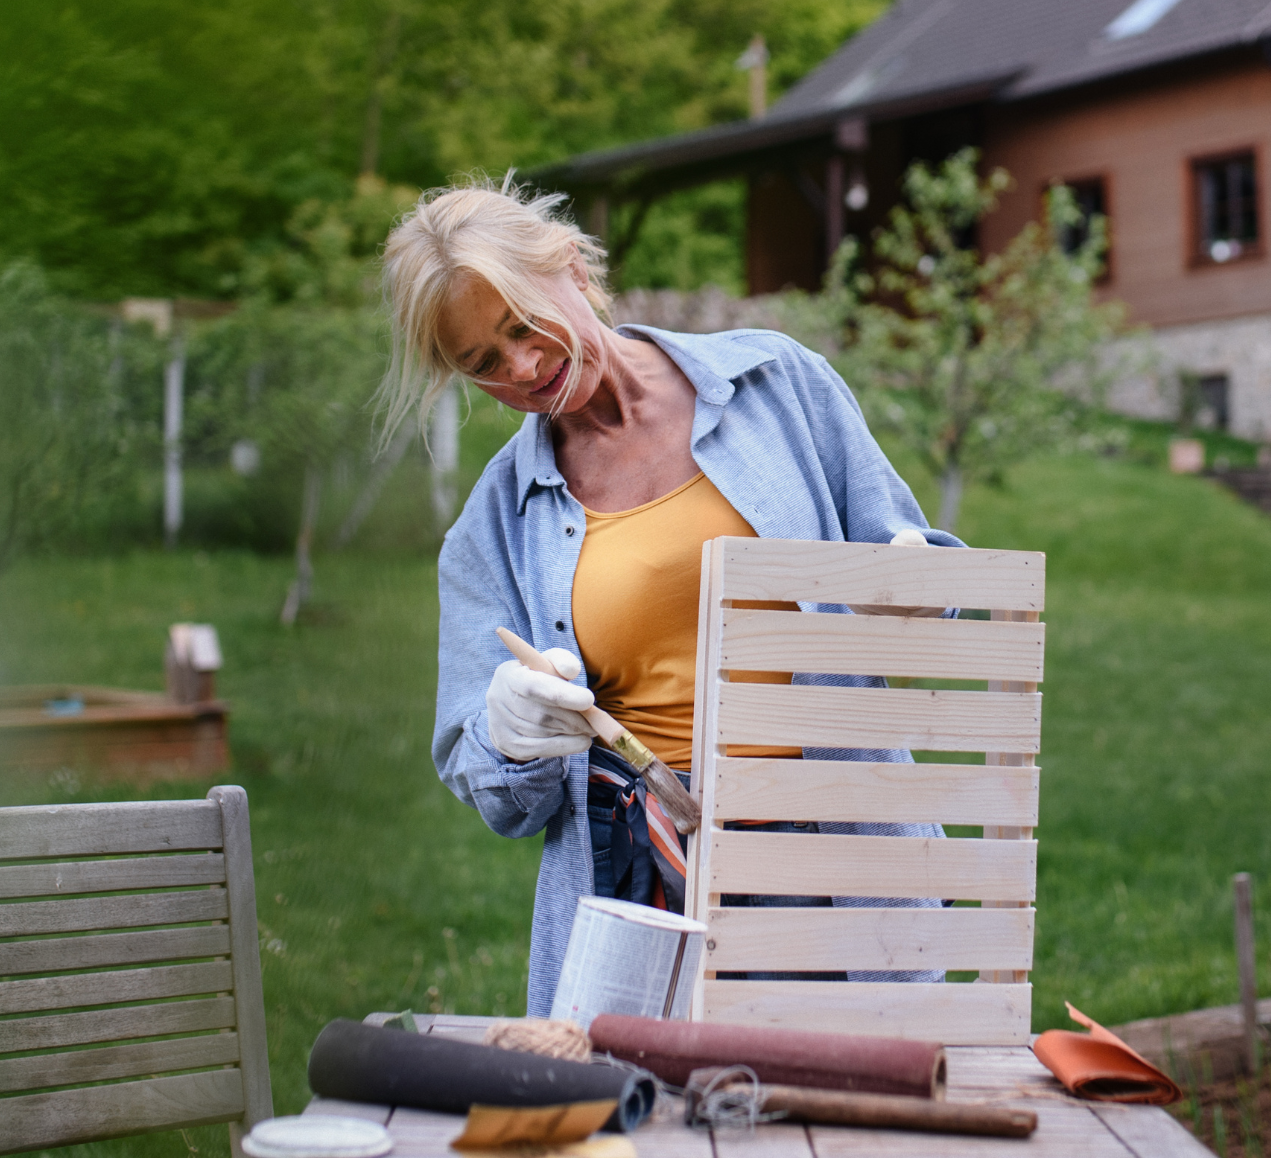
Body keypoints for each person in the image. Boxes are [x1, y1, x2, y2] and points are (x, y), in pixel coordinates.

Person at [380, 181, 955, 1016]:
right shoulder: (493, 526)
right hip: (644, 877)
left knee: (861, 1121)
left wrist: (916, 583)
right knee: (646, 1136)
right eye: (482, 364)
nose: (524, 368)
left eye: (521, 326)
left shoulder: (777, 384)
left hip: (845, 854)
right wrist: (508, 736)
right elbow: (495, 789)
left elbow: (916, 577)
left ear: (570, 269)